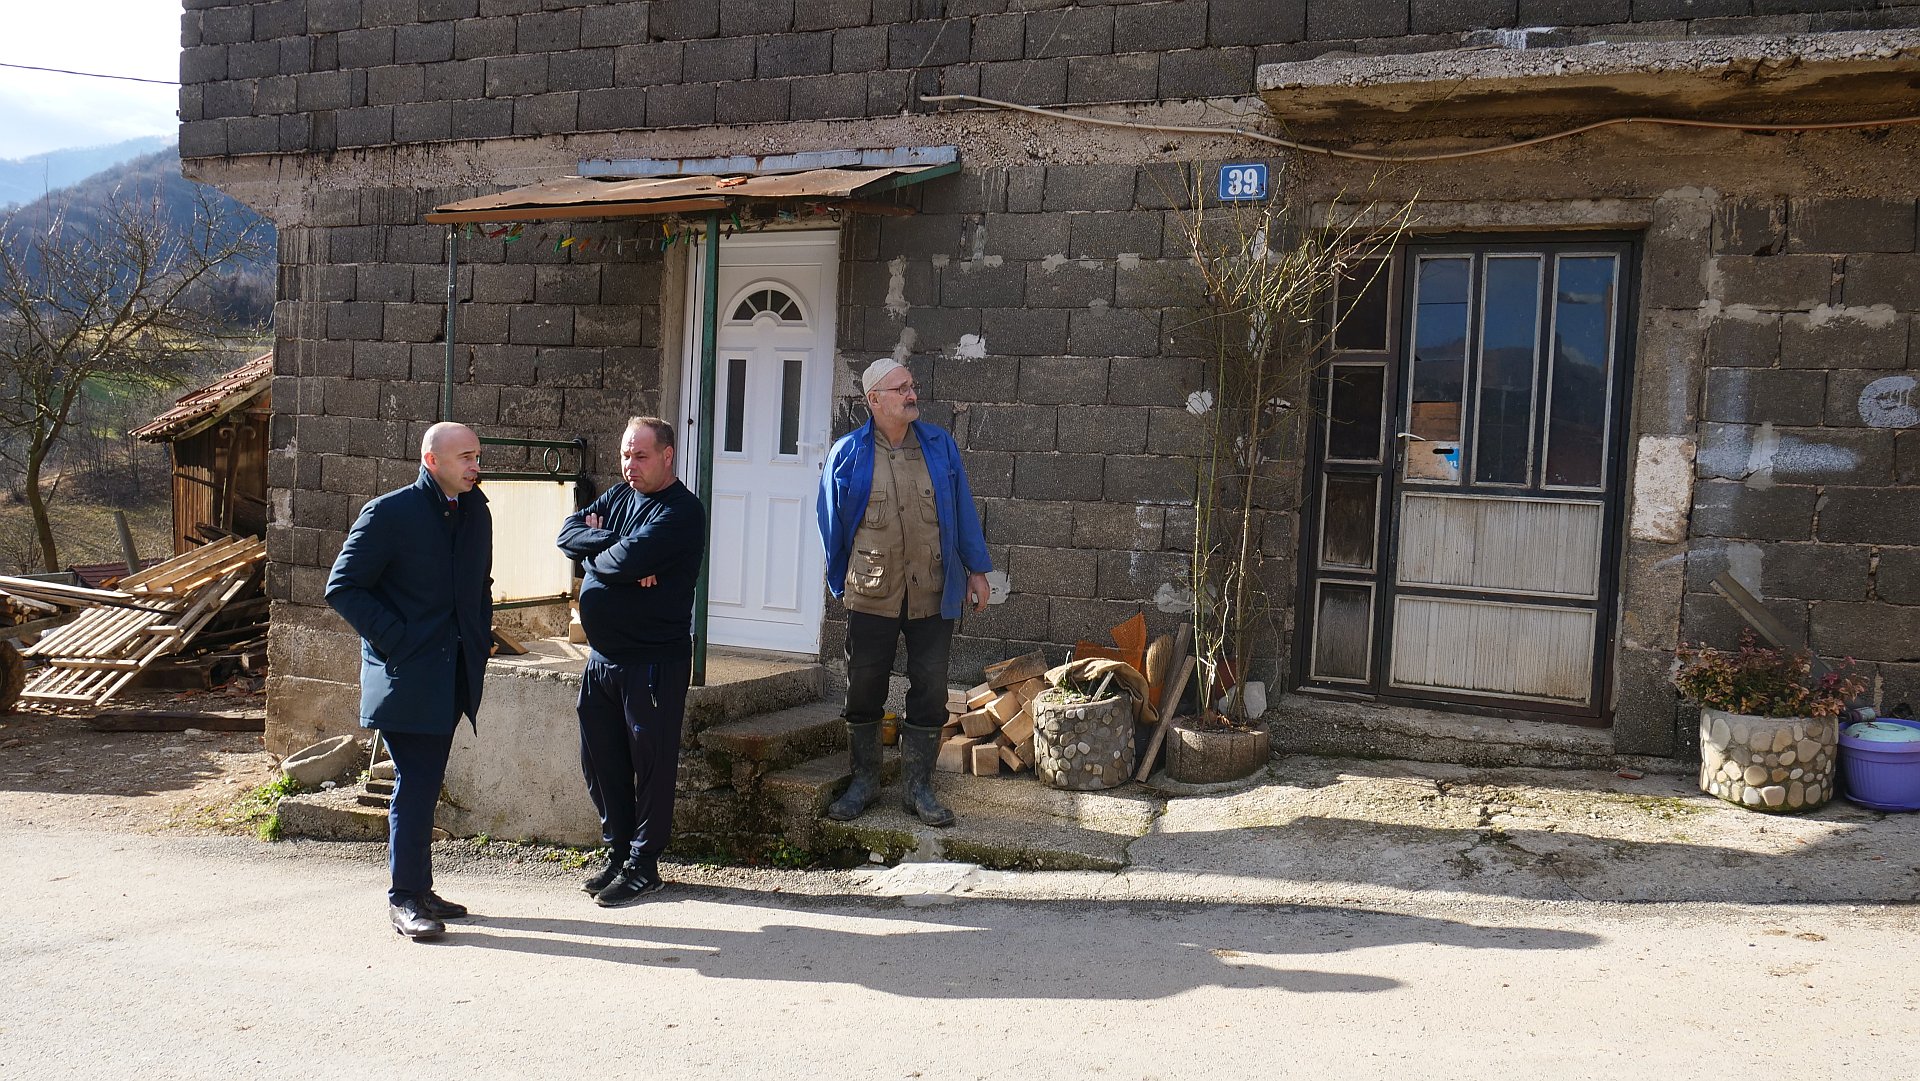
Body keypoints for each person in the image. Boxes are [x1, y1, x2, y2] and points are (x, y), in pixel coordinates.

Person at [326, 421, 492, 941]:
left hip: (452, 670)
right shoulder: (389, 513)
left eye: (477, 456)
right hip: (405, 674)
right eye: (465, 457)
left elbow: (479, 583)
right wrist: (397, 640)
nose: (475, 466)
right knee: (416, 781)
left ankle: (420, 889)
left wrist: (479, 634)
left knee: (425, 780)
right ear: (431, 460)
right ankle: (404, 899)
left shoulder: (475, 511)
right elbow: (343, 587)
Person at [817, 359, 992, 827]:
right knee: (863, 686)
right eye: (901, 389)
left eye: (912, 386)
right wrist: (841, 578)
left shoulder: (939, 445)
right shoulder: (848, 453)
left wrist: (977, 570)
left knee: (931, 688)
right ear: (874, 399)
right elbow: (830, 524)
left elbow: (962, 510)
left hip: (932, 589)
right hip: (871, 591)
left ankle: (919, 788)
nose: (912, 395)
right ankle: (864, 782)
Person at [556, 416, 707, 906]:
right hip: (602, 659)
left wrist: (605, 556)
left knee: (652, 766)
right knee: (600, 761)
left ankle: (644, 865)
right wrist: (612, 549)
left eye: (640, 456)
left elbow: (619, 562)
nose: (629, 464)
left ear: (667, 456)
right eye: (625, 454)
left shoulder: (682, 511)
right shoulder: (621, 496)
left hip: (652, 662)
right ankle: (619, 852)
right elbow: (567, 534)